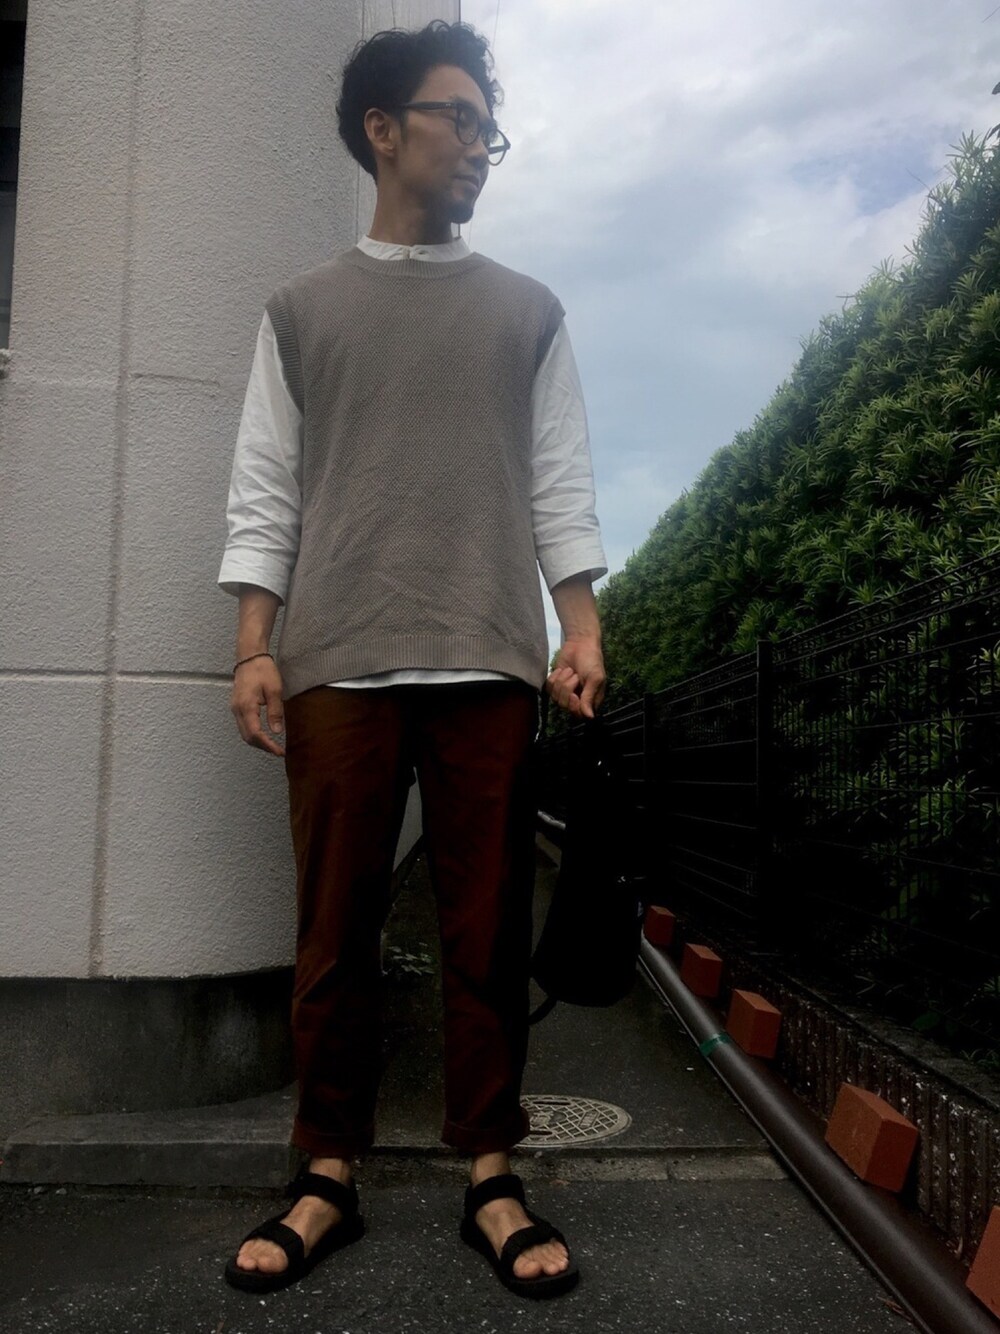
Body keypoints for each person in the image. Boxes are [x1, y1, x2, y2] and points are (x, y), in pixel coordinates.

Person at [218, 19, 606, 1300]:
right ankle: (325, 1170)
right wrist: (254, 643)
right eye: (462, 118)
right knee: (331, 928)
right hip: (335, 653)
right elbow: (265, 487)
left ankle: (491, 1171)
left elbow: (558, 481)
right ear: (383, 131)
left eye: (494, 126)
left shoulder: (527, 311)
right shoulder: (301, 309)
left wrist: (579, 626)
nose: (482, 143)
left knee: (483, 925)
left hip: (488, 650)